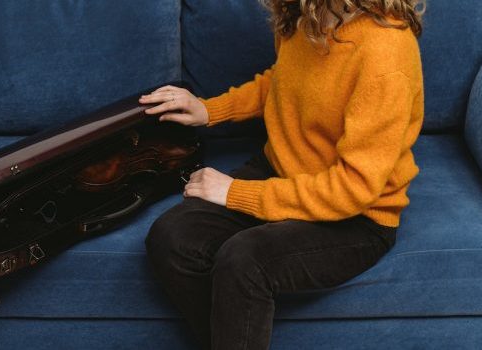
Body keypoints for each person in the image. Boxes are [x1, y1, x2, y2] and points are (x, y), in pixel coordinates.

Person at [138, 0, 425, 349]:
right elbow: (284, 82)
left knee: (244, 260)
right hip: (282, 171)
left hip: (357, 216)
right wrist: (209, 110)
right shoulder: (308, 13)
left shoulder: (386, 54)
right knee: (171, 238)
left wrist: (235, 193)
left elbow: (352, 189)